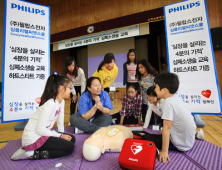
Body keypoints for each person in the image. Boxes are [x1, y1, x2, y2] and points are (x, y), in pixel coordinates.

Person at [11, 71, 75, 160]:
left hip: (42, 134)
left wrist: (62, 135)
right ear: (61, 88)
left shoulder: (60, 102)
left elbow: (60, 119)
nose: (71, 90)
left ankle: (34, 152)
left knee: (72, 140)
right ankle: (32, 153)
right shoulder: (50, 104)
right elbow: (40, 130)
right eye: (69, 87)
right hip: (33, 138)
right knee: (70, 148)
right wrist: (60, 136)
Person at [144, 72, 204, 163]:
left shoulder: (168, 103)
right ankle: (196, 135)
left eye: (156, 87)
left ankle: (169, 146)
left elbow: (167, 128)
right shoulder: (175, 98)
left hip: (181, 144)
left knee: (146, 138)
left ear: (164, 90)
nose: (155, 90)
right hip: (188, 140)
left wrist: (164, 151)